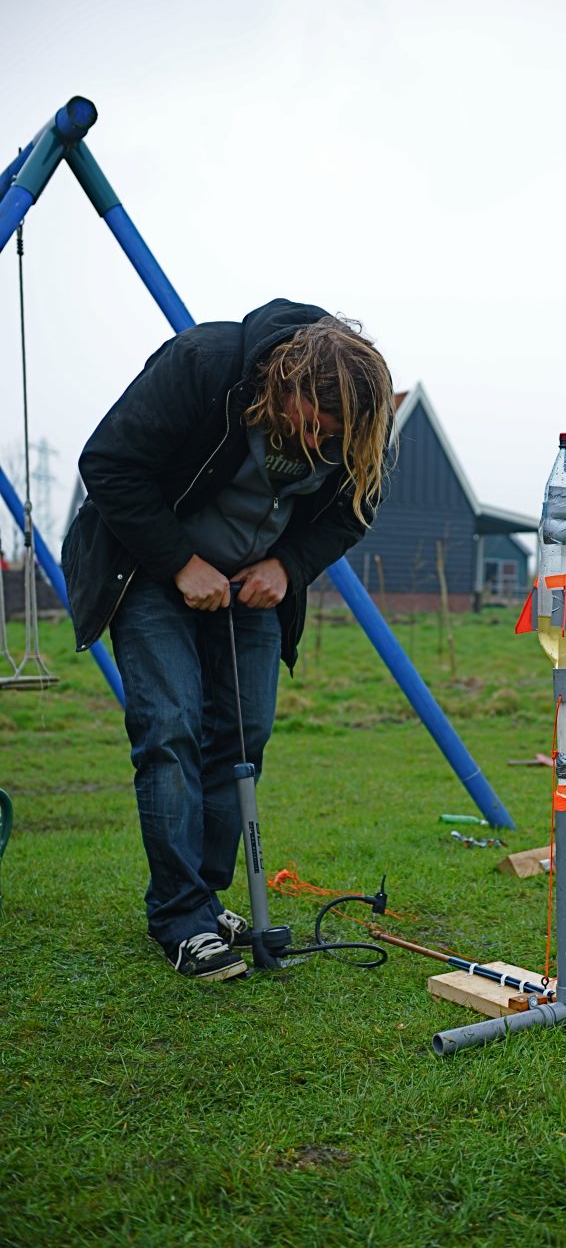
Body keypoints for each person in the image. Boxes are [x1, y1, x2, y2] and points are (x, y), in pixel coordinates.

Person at [62, 299, 393, 982]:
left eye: (333, 438)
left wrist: (289, 566)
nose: (321, 446)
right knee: (171, 727)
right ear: (288, 384)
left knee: (245, 735)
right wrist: (180, 563)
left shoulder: (359, 423)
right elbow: (109, 463)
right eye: (313, 428)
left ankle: (206, 901)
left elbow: (356, 510)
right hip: (150, 570)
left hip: (252, 583)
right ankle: (179, 918)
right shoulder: (202, 364)